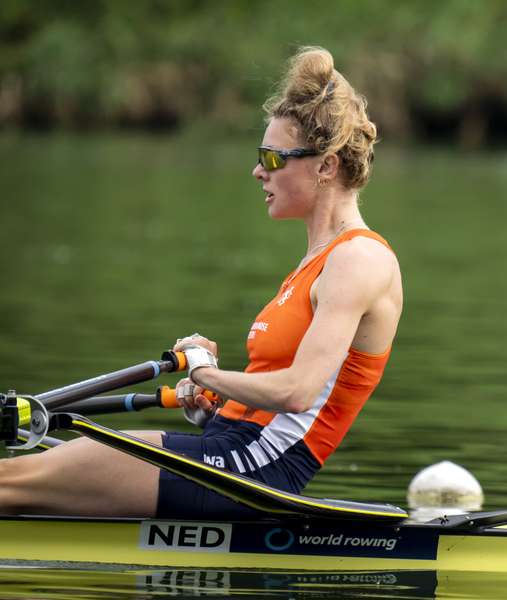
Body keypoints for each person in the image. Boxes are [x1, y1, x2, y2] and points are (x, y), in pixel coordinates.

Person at [0, 46, 402, 518]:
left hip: (253, 472)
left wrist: (202, 373)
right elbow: (274, 393)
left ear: (326, 166)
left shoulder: (359, 259)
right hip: (224, 449)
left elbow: (298, 392)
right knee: (13, 478)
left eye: (273, 159)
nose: (258, 170)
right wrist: (213, 399)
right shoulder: (316, 261)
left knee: (8, 484)